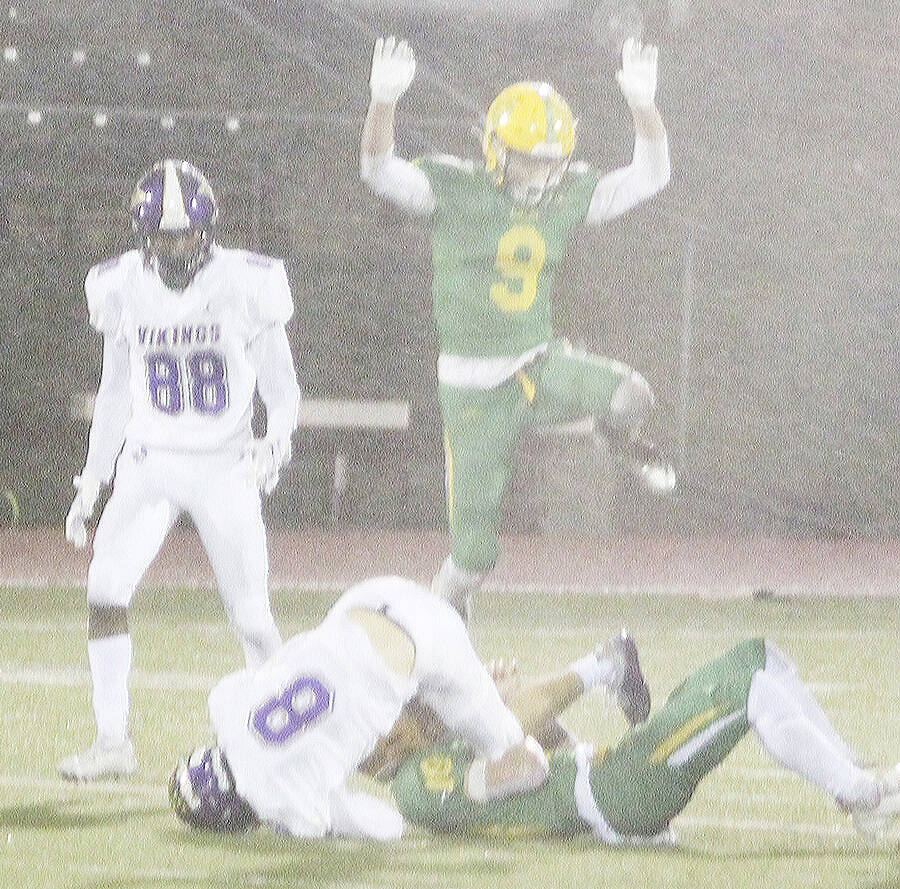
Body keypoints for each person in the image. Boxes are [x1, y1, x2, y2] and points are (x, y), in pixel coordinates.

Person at [360, 37, 673, 621]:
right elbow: (377, 169)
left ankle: (613, 434)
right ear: (497, 149)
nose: (544, 172)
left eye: (552, 159)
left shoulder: (566, 194)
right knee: (472, 563)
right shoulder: (456, 189)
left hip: (535, 365)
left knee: (633, 395)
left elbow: (652, 176)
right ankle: (435, 651)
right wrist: (383, 104)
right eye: (531, 157)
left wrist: (642, 107)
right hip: (472, 393)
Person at [60, 158, 301, 781]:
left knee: (251, 615)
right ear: (145, 234)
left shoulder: (246, 281)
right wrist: (94, 476)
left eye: (186, 232)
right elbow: (114, 391)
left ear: (207, 228)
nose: (177, 244)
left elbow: (282, 386)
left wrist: (277, 440)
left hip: (224, 464)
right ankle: (113, 743)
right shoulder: (119, 287)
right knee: (105, 591)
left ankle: (296, 739)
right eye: (165, 234)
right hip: (151, 460)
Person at [168, 575, 649, 838]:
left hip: (432, 646)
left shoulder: (280, 796)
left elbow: (387, 825)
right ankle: (505, 707)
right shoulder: (228, 705)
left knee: (503, 757)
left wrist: (285, 819)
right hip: (370, 598)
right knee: (382, 745)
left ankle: (600, 669)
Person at [392, 638, 900, 844]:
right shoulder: (416, 780)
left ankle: (850, 771)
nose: (428, 709)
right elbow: (528, 771)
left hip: (611, 781)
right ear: (391, 739)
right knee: (753, 688)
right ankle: (862, 795)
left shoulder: (439, 753)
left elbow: (557, 750)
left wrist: (511, 707)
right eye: (417, 707)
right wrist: (499, 709)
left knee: (759, 658)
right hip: (615, 794)